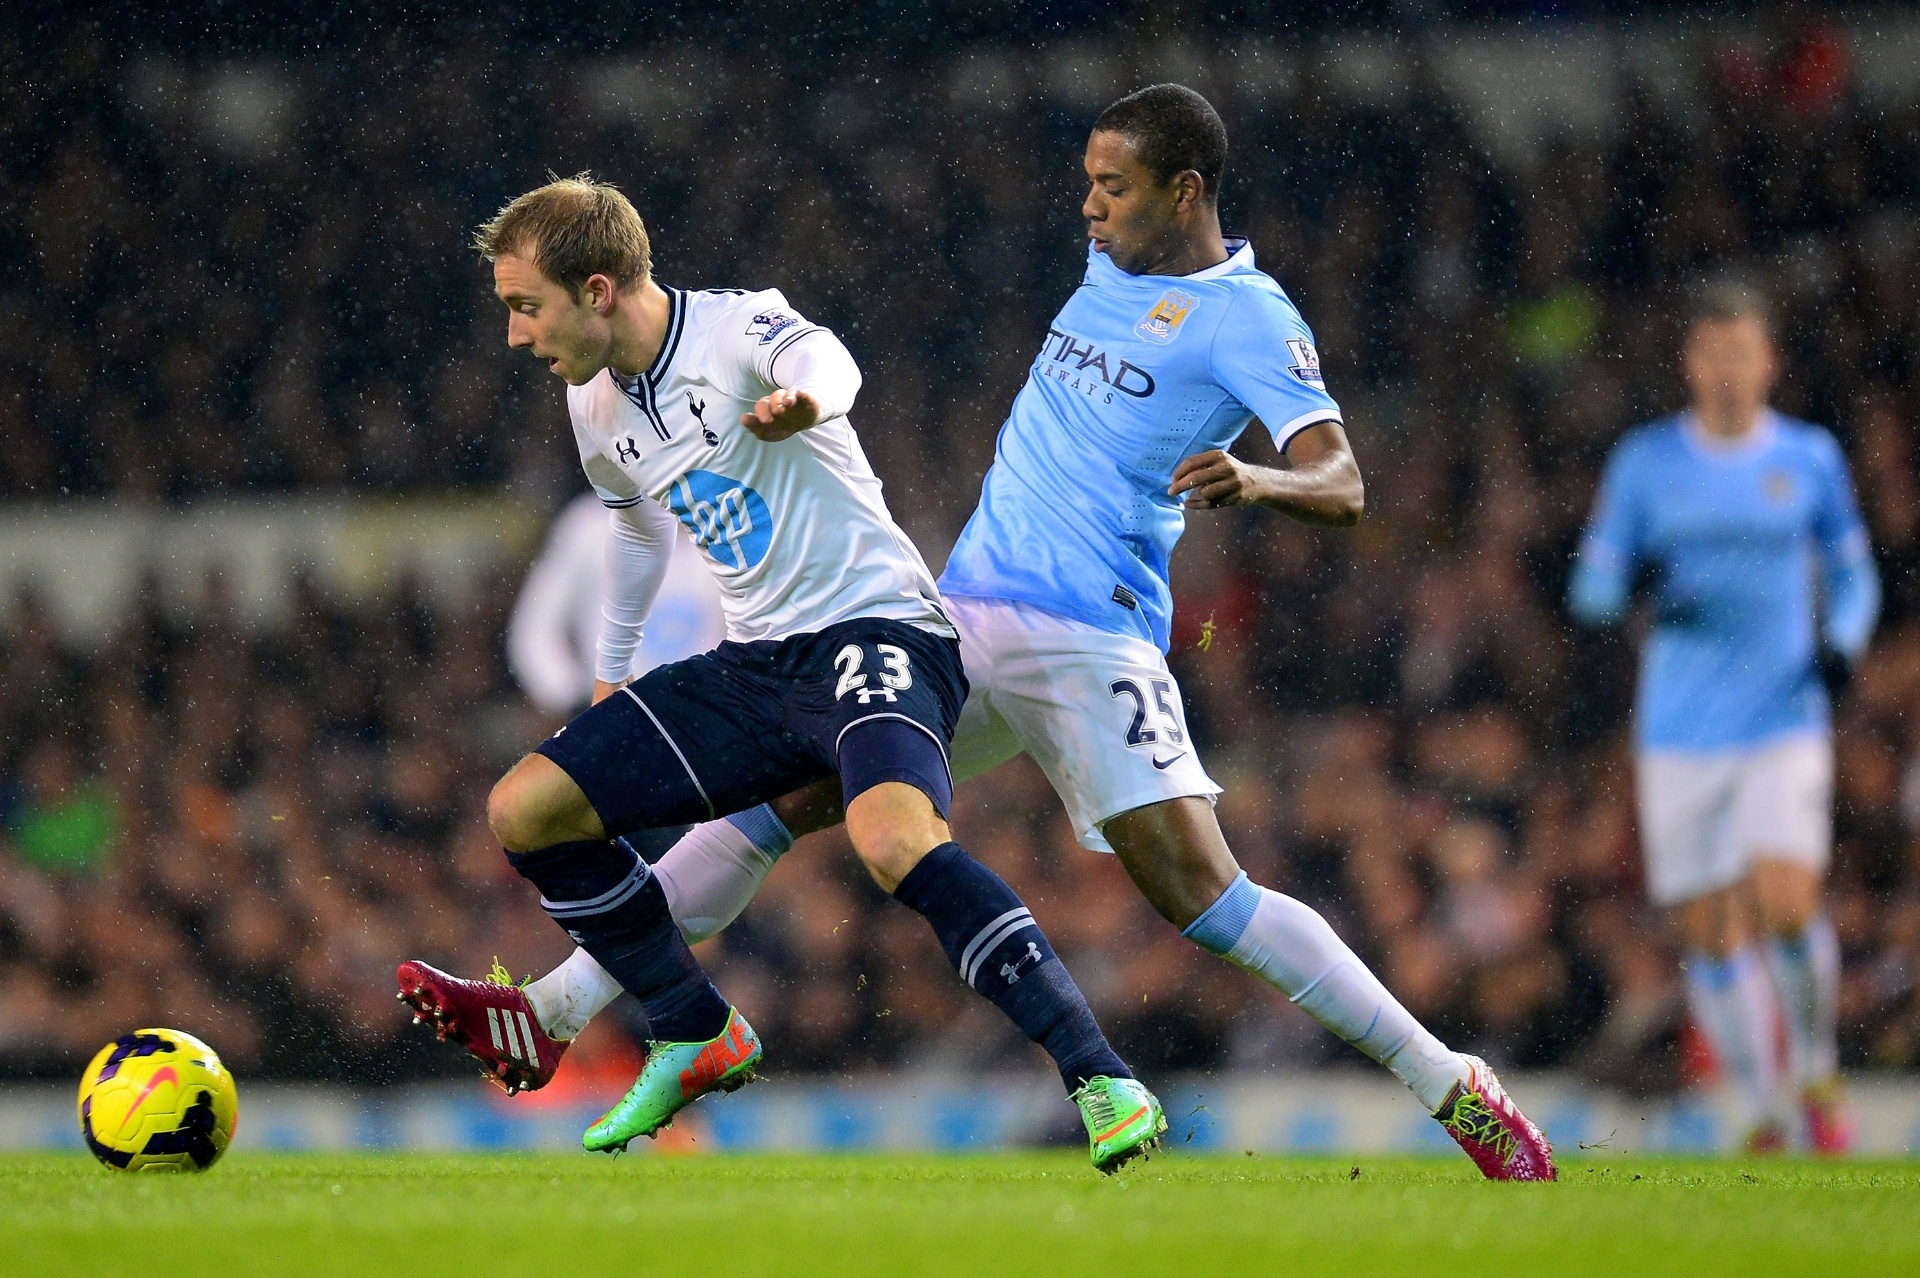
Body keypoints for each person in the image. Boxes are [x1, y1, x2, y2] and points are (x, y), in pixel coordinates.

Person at [432, 87, 1555, 1181]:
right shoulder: (1108, 267)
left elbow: (1344, 480)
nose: (1089, 207)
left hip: (1090, 634)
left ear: (1187, 190)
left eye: (1113, 187)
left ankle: (1450, 1080)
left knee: (1206, 896)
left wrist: (1254, 479)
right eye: (1086, 184)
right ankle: (559, 1008)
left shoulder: (1248, 318)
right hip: (955, 615)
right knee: (787, 807)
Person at [397, 175, 1165, 1172]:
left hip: (878, 632)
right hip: (758, 664)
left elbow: (828, 361)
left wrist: (811, 401)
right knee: (527, 809)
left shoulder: (735, 327)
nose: (514, 335)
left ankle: (1100, 1075)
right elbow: (631, 525)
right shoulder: (595, 407)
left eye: (524, 306)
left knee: (893, 840)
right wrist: (611, 669)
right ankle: (692, 1026)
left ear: (595, 289)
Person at [1569, 279, 1879, 1153]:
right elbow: (1590, 584)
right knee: (1706, 930)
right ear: (1691, 365)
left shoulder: (1810, 459)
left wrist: (1845, 641)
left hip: (1784, 714)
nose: (1730, 371)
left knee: (1785, 899)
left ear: (1769, 361)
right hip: (1678, 729)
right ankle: (1764, 1107)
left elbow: (1855, 574)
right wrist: (1627, 586)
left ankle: (1815, 1063)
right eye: (1714, 354)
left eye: (1744, 353)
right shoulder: (1646, 463)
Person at [507, 488, 725, 720]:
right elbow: (535, 630)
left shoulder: (730, 530)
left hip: (697, 725)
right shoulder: (590, 525)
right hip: (607, 718)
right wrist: (573, 703)